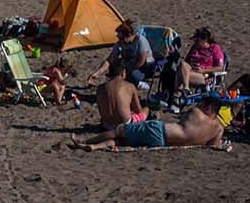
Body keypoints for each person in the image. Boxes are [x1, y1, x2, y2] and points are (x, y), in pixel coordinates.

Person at [71, 98, 227, 151]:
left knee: (119, 130)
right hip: (162, 143)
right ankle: (96, 147)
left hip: (159, 131)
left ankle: (86, 142)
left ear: (208, 108)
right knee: (121, 141)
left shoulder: (196, 112)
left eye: (202, 104)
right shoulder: (219, 128)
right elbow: (212, 146)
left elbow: (180, 120)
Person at [94, 60, 149, 131]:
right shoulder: (130, 86)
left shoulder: (100, 88)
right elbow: (138, 110)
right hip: (126, 125)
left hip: (107, 125)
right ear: (123, 72)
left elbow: (101, 111)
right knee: (146, 109)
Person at [99, 19, 154, 85]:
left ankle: (141, 83)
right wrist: (98, 73)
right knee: (113, 66)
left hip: (143, 68)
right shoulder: (121, 42)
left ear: (130, 35)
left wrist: (127, 70)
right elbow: (110, 59)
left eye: (121, 38)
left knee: (132, 76)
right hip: (129, 65)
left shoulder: (141, 41)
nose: (119, 40)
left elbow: (141, 61)